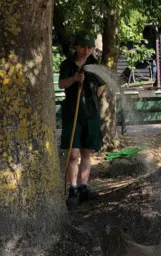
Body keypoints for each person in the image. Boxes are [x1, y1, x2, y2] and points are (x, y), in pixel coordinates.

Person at [58, 33, 105, 207]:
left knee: (86, 153)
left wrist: (90, 100)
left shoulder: (95, 66)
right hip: (72, 115)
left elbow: (101, 88)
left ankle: (84, 188)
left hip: (91, 115)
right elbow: (61, 84)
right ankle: (73, 189)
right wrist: (74, 79)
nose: (86, 51)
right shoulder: (67, 65)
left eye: (90, 47)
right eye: (83, 47)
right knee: (73, 154)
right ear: (76, 47)